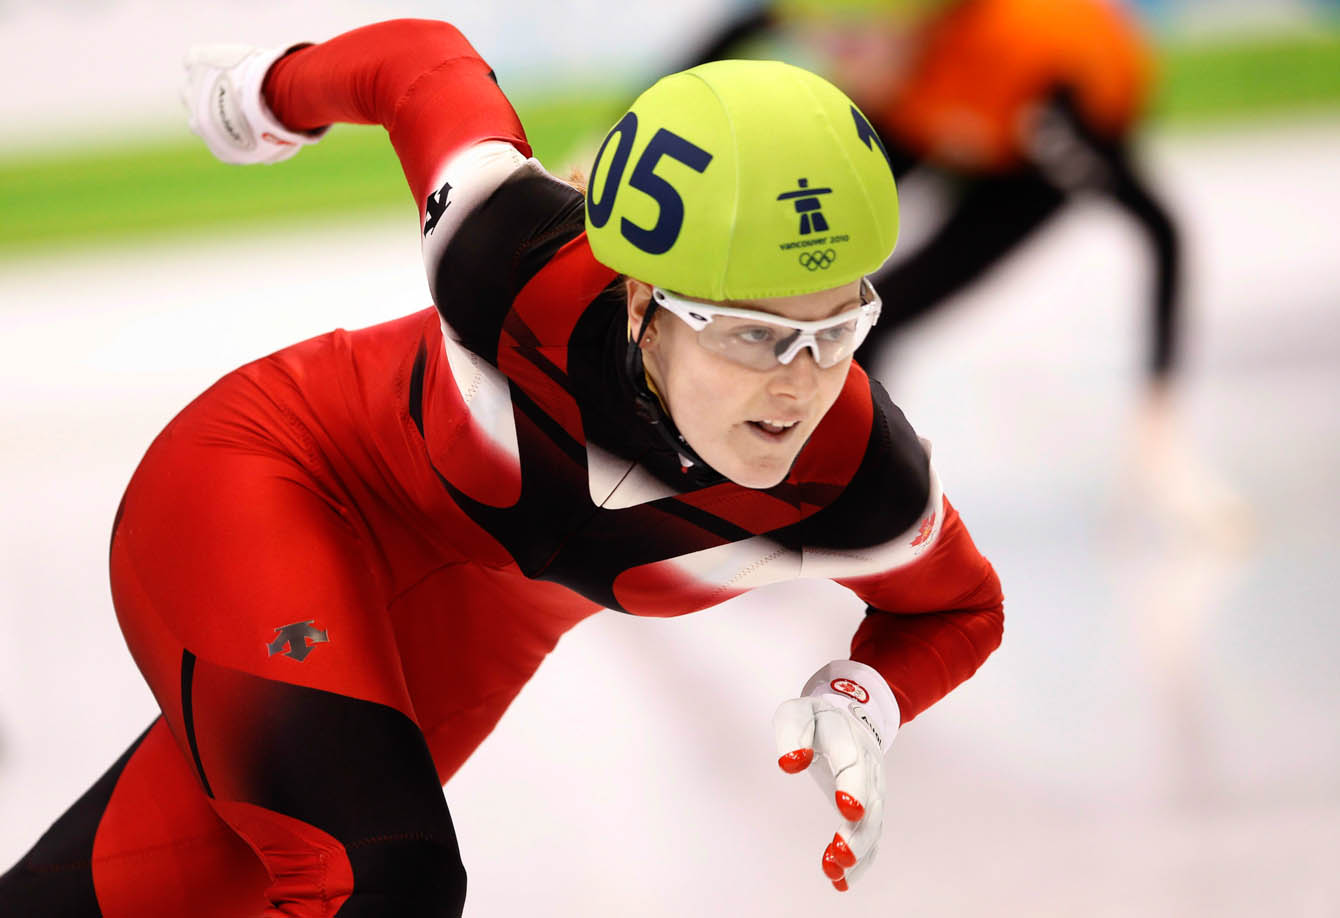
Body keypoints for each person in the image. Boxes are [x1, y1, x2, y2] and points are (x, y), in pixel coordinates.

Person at [0, 19, 1003, 916]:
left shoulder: (855, 476)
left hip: (473, 622)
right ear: (638, 297)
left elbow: (957, 608)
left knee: (157, 890)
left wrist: (863, 694)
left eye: (837, 330)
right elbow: (416, 64)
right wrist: (264, 94)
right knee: (384, 880)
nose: (800, 384)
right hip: (285, 480)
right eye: (748, 335)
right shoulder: (510, 257)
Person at [684, 0, 1179, 380]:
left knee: (875, 315)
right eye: (824, 45)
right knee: (803, 256)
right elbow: (744, 30)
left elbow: (1159, 229)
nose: (837, 66)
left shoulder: (1041, 79)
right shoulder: (891, 62)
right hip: (927, 104)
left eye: (852, 45)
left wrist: (1157, 419)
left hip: (1027, 155)